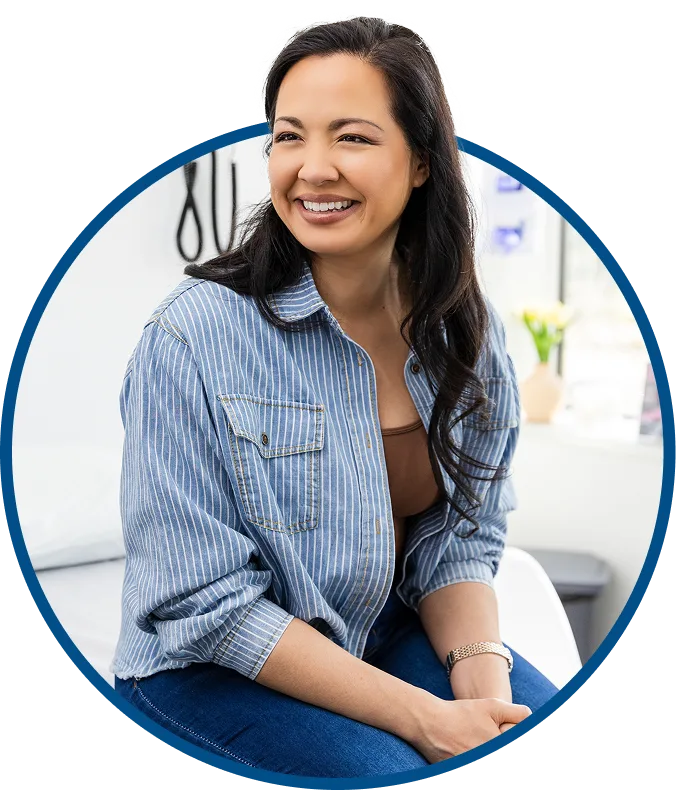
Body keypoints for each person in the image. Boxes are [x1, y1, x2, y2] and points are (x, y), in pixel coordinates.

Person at [111, 14, 558, 780]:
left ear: (421, 161)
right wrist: (423, 717)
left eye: (351, 137)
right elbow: (201, 606)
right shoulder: (193, 337)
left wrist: (482, 688)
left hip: (379, 631)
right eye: (289, 137)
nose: (311, 168)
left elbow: (460, 540)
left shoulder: (464, 334)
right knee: (390, 766)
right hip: (203, 668)